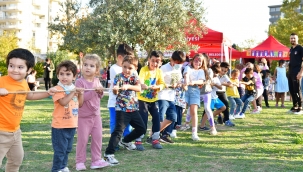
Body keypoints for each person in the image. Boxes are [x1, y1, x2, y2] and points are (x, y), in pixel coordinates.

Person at [0, 48, 56, 172]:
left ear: (29, 70)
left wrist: (47, 93)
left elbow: (30, 95)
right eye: (11, 66)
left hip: (15, 132)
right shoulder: (2, 81)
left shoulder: (23, 83)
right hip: (1, 132)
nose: (15, 70)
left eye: (20, 67)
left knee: (16, 160)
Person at [104, 55, 146, 165]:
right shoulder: (118, 76)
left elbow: (139, 88)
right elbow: (115, 92)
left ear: (135, 69)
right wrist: (116, 89)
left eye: (130, 68)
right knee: (118, 131)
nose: (127, 70)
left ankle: (126, 141)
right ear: (122, 66)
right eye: (125, 67)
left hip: (133, 109)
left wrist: (127, 86)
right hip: (121, 110)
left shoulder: (134, 77)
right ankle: (109, 154)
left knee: (141, 129)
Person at [75, 54, 110, 170]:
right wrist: (94, 92)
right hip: (83, 117)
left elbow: (99, 96)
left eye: (91, 66)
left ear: (96, 70)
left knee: (97, 138)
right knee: (83, 139)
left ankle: (96, 160)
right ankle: (80, 161)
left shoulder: (97, 80)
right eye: (85, 65)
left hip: (96, 116)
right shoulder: (79, 83)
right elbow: (82, 98)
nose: (87, 68)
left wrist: (100, 92)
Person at [51, 60, 84, 172]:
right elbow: (63, 102)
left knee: (67, 149)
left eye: (68, 74)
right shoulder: (57, 89)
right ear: (58, 75)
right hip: (59, 126)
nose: (64, 77)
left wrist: (81, 94)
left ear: (74, 76)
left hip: (71, 124)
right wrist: (73, 93)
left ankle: (62, 167)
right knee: (60, 150)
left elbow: (80, 104)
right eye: (61, 74)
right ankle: (56, 169)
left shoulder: (72, 89)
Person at [135, 50, 165, 149]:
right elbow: (141, 80)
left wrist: (158, 87)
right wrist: (143, 85)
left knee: (157, 118)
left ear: (160, 63)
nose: (154, 63)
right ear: (148, 60)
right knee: (143, 119)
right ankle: (138, 139)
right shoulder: (144, 70)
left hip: (154, 100)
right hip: (142, 99)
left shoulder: (159, 72)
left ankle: (155, 138)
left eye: (157, 61)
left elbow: (162, 84)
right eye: (153, 61)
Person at [107, 44, 134, 146]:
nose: (127, 68)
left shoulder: (132, 70)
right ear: (120, 57)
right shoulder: (114, 68)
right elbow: (125, 81)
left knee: (127, 123)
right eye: (127, 59)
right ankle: (115, 143)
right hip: (114, 102)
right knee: (115, 123)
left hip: (127, 102)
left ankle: (126, 140)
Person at [158, 51, 185, 144]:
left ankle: (165, 134)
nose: (177, 65)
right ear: (171, 59)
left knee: (173, 117)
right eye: (176, 62)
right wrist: (169, 85)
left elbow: (179, 79)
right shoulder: (164, 68)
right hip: (162, 95)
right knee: (161, 116)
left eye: (179, 63)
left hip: (172, 96)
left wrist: (178, 84)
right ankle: (155, 135)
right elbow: (159, 81)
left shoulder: (178, 68)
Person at [183, 54, 206, 140]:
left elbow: (201, 81)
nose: (198, 62)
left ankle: (194, 133)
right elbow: (186, 75)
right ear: (192, 61)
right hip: (185, 89)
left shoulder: (201, 71)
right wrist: (186, 82)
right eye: (196, 60)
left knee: (194, 111)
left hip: (195, 90)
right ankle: (173, 128)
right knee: (182, 109)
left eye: (200, 61)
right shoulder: (188, 68)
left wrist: (194, 82)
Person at [288, 33, 303, 114]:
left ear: (297, 39)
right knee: (292, 90)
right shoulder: (291, 49)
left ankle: (300, 108)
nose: (292, 40)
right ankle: (295, 106)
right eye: (291, 38)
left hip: (297, 72)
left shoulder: (300, 48)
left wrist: (301, 72)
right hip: (290, 72)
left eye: (294, 38)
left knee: (297, 90)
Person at [217, 62, 235, 126]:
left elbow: (231, 85)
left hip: (222, 92)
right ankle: (204, 119)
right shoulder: (215, 74)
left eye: (225, 71)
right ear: (219, 68)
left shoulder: (225, 76)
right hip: (214, 93)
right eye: (222, 70)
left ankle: (226, 120)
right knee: (210, 107)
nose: (223, 72)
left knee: (226, 105)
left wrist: (224, 83)